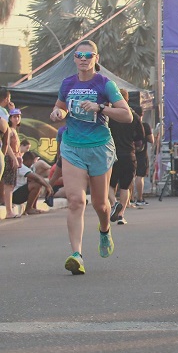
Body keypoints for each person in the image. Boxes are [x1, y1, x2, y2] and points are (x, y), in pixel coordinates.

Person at [50, 40, 133, 275]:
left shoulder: (105, 84)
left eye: (88, 55)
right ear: (74, 59)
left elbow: (127, 116)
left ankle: (105, 230)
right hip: (72, 146)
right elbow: (61, 107)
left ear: (96, 57)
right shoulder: (68, 83)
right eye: (79, 55)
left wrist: (100, 108)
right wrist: (58, 112)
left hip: (99, 147)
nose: (83, 59)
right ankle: (76, 254)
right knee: (76, 200)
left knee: (100, 204)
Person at [107, 88, 144, 225]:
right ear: (127, 99)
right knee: (125, 186)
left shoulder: (109, 115)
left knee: (109, 185)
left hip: (111, 154)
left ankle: (114, 203)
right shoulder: (133, 116)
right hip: (129, 154)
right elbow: (141, 137)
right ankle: (121, 214)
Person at [11, 151, 53, 216]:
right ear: (27, 161)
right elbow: (37, 178)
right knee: (36, 185)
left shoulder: (29, 167)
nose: (32, 164)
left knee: (37, 183)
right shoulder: (21, 167)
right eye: (31, 162)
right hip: (14, 195)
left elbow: (37, 178)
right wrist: (48, 187)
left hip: (19, 192)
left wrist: (47, 186)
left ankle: (33, 207)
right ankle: (29, 208)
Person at [131, 105, 154, 205]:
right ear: (142, 114)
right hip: (142, 154)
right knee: (140, 176)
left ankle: (130, 198)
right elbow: (151, 140)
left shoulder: (129, 125)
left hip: (130, 152)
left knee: (130, 176)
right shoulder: (145, 125)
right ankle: (140, 198)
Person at [2, 107, 22, 218]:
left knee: (11, 184)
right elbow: (7, 145)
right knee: (8, 185)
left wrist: (19, 157)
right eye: (14, 116)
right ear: (10, 118)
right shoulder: (9, 130)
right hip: (9, 158)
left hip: (14, 158)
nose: (17, 118)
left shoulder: (14, 130)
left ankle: (9, 208)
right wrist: (14, 158)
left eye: (18, 116)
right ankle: (9, 211)